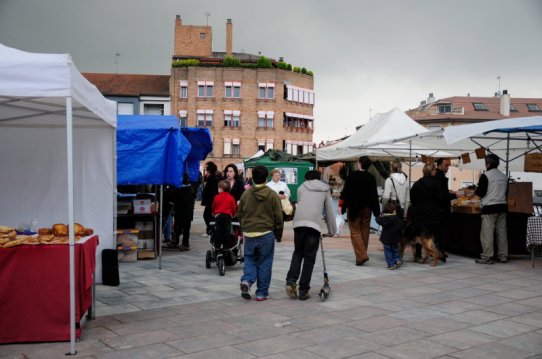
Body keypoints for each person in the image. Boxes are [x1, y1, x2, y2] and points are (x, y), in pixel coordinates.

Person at [285, 170, 336, 301]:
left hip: (299, 224)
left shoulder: (302, 187)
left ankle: (291, 281)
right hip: (314, 225)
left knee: (298, 252)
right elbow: (329, 211)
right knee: (309, 257)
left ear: (307, 179)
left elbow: (301, 204)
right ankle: (303, 289)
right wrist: (332, 231)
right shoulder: (325, 189)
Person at [238, 165, 283, 301]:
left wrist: (243, 228)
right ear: (267, 177)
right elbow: (278, 216)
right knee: (265, 262)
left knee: (250, 259)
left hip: (250, 232)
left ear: (252, 178)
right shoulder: (272, 195)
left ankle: (247, 280)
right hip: (266, 233)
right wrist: (278, 233)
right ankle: (262, 293)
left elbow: (239, 213)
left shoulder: (246, 194)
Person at [339, 156, 381, 266]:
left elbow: (345, 192)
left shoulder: (352, 176)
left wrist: (341, 206)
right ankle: (360, 257)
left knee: (355, 231)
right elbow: (374, 195)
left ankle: (362, 255)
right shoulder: (371, 177)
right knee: (365, 231)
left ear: (360, 164)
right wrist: (376, 211)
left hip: (354, 208)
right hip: (367, 208)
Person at [475, 154, 509, 264]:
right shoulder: (504, 176)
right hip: (502, 206)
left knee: (487, 233)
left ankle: (487, 256)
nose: (485, 165)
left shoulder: (486, 176)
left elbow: (480, 192)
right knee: (501, 233)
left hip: (489, 207)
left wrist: (476, 189)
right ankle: (503, 256)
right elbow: (506, 193)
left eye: (485, 163)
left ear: (488, 164)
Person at [408, 163, 443, 261]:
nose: (436, 171)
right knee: (433, 235)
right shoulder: (436, 183)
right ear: (430, 171)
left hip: (419, 214)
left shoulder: (416, 183)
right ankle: (434, 254)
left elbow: (412, 199)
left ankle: (418, 256)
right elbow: (440, 199)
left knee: (419, 235)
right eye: (434, 170)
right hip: (433, 214)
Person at [434, 158, 456, 262]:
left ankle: (439, 251)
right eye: (446, 165)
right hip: (440, 209)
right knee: (439, 232)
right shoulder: (439, 178)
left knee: (440, 232)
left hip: (439, 209)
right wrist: (454, 195)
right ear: (439, 165)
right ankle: (439, 251)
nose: (448, 167)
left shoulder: (440, 176)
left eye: (448, 165)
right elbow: (442, 195)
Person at [376, 201, 403, 270]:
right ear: (394, 211)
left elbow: (377, 219)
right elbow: (401, 226)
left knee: (388, 252)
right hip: (395, 238)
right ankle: (397, 260)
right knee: (396, 250)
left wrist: (381, 215)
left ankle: (391, 265)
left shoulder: (383, 218)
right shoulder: (396, 218)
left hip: (386, 239)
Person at [266, 168, 290, 242]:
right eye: (276, 175)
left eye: (279, 175)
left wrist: (285, 196)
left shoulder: (283, 184)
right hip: (271, 206)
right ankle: (272, 235)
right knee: (272, 221)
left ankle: (279, 236)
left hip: (281, 205)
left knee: (280, 221)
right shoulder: (268, 185)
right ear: (272, 176)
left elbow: (288, 193)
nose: (278, 177)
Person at [211, 180, 237, 250]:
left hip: (218, 216)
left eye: (218, 188)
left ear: (221, 189)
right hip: (227, 216)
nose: (218, 189)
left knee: (218, 231)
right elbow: (233, 208)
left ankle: (217, 246)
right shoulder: (231, 197)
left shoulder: (216, 197)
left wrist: (213, 213)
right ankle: (226, 247)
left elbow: (213, 206)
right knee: (227, 231)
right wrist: (234, 214)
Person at [174, 173, 196, 251]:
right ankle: (185, 243)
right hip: (188, 212)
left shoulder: (179, 189)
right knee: (186, 229)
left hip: (180, 211)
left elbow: (174, 198)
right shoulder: (191, 188)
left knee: (177, 227)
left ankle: (176, 242)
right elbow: (194, 196)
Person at [201, 161, 220, 237]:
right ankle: (210, 230)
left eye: (207, 170)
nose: (206, 172)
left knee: (207, 216)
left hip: (211, 201)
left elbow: (212, 192)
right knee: (208, 216)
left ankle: (210, 231)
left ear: (209, 171)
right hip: (210, 201)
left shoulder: (212, 179)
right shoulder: (210, 178)